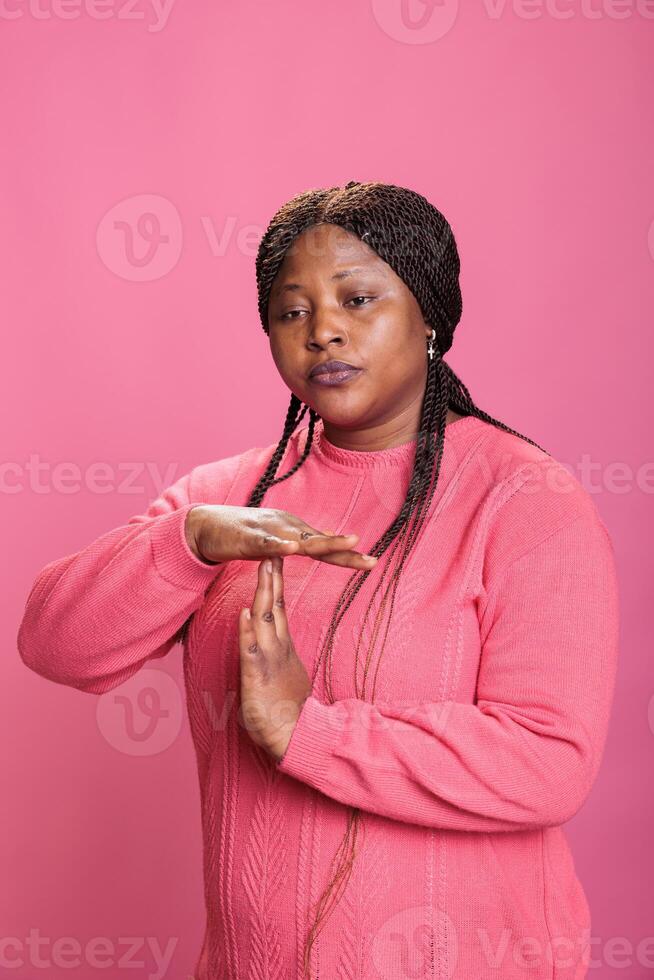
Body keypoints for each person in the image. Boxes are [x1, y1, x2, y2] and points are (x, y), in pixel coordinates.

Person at [17, 180, 620, 980]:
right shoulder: (227, 498)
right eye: (292, 312)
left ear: (431, 314)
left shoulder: (524, 500)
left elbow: (548, 763)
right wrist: (190, 542)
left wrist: (309, 732)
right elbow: (57, 645)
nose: (324, 331)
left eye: (358, 299)